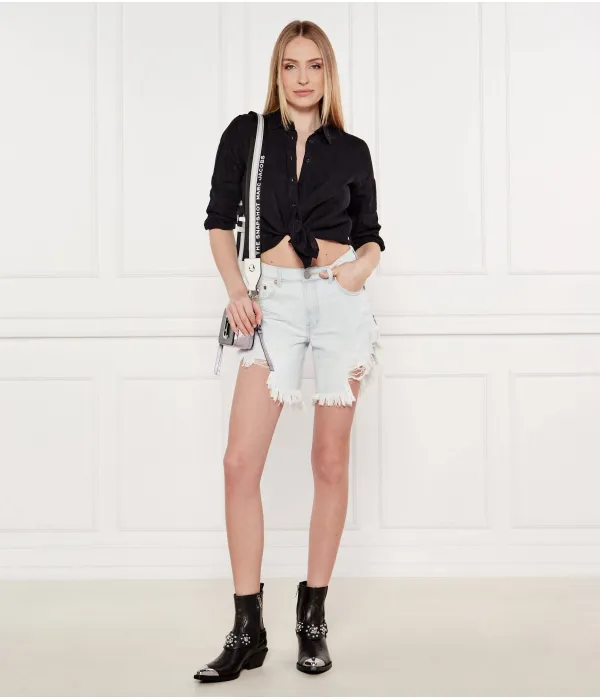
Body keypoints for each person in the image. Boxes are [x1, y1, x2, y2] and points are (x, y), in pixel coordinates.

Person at [194, 19, 385, 683]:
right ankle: (247, 628)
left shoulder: (352, 150)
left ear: (328, 74)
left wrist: (361, 268)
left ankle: (313, 618)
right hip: (269, 301)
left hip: (339, 304)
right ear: (277, 73)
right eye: (290, 66)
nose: (302, 78)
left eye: (314, 66)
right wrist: (235, 293)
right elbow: (219, 223)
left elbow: (371, 233)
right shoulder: (246, 135)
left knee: (329, 461)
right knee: (238, 461)